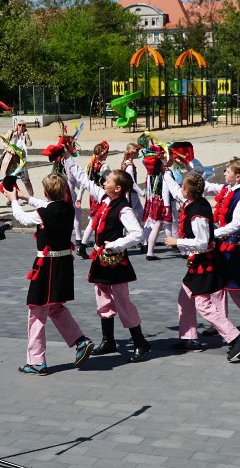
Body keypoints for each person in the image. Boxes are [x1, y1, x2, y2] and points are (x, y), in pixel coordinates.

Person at [63, 149, 151, 363]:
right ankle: (108, 340)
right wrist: (67, 157)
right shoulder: (104, 197)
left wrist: (115, 245)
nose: (104, 181)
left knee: (122, 301)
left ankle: (140, 342)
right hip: (101, 260)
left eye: (109, 180)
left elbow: (137, 234)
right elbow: (85, 179)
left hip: (115, 261)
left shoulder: (123, 209)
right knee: (102, 298)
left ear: (118, 188)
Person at [3, 173, 94, 375]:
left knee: (36, 312)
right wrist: (26, 198)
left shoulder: (43, 213)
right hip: (63, 263)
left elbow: (23, 218)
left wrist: (13, 202)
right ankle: (80, 341)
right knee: (55, 307)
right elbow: (47, 205)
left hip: (47, 265)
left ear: (45, 192)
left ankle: (36, 361)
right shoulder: (68, 209)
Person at [164, 172, 240, 362]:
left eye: (182, 188)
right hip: (197, 262)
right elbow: (174, 190)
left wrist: (176, 241)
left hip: (205, 263)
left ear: (187, 191)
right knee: (184, 296)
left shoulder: (198, 213)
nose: (180, 191)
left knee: (203, 304)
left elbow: (203, 242)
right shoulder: (193, 201)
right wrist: (165, 172)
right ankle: (190, 339)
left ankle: (236, 338)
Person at [186, 157, 240, 338]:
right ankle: (219, 320)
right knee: (218, 283)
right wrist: (191, 169)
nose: (224, 173)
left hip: (233, 244)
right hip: (220, 242)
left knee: (235, 285)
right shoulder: (226, 189)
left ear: (238, 177)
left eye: (228, 171)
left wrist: (213, 234)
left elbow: (236, 225)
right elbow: (206, 187)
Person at [76, 141, 111, 258]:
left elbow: (84, 183)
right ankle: (86, 246)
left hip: (92, 196)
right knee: (96, 221)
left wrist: (79, 197)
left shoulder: (90, 165)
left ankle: (86, 245)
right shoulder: (104, 166)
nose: (108, 154)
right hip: (101, 196)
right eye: (107, 152)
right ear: (102, 153)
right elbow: (111, 180)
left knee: (94, 221)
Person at [0, 120, 34, 198]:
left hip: (21, 158)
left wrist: (27, 135)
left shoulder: (25, 135)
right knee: (8, 178)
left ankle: (31, 196)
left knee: (25, 178)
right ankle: (10, 197)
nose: (21, 127)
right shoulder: (11, 132)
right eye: (19, 125)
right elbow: (3, 141)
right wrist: (10, 149)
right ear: (17, 125)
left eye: (23, 125)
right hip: (10, 157)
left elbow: (29, 144)